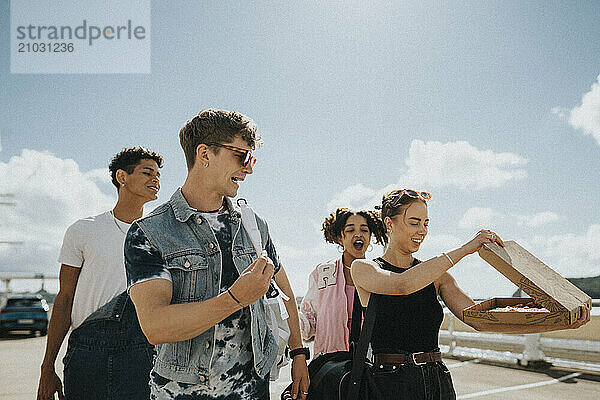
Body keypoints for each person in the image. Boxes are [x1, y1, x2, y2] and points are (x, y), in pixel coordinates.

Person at [124, 109, 310, 400]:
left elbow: (284, 293)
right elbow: (155, 326)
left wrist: (299, 354)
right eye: (241, 156)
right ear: (204, 154)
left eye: (251, 159)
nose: (248, 169)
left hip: (254, 390)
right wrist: (236, 298)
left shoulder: (255, 226)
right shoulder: (149, 232)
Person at [351, 189, 591, 400]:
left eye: (426, 223)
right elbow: (403, 286)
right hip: (388, 383)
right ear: (389, 224)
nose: (422, 230)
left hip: (436, 380)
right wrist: (466, 249)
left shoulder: (438, 276)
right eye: (414, 222)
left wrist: (560, 322)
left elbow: (481, 321)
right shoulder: (364, 269)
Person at [37, 147, 163, 400]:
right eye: (147, 172)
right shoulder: (83, 230)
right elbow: (64, 300)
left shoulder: (161, 235)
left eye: (158, 175)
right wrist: (47, 366)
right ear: (122, 177)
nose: (156, 180)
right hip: (87, 353)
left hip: (143, 352)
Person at [299, 208, 386, 356]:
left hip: (372, 366)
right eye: (351, 230)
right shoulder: (323, 273)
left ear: (370, 236)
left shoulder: (380, 275)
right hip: (331, 367)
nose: (358, 234)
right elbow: (309, 320)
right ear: (340, 237)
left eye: (364, 230)